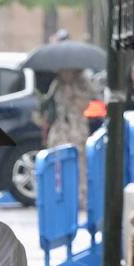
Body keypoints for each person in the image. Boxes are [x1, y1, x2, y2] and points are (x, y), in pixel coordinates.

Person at [37, 68, 95, 203]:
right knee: (57, 162)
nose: (65, 74)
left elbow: (87, 102)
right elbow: (50, 104)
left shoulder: (83, 83)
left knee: (80, 162)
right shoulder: (57, 84)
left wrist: (74, 94)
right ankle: (60, 195)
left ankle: (81, 196)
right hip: (59, 129)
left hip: (77, 128)